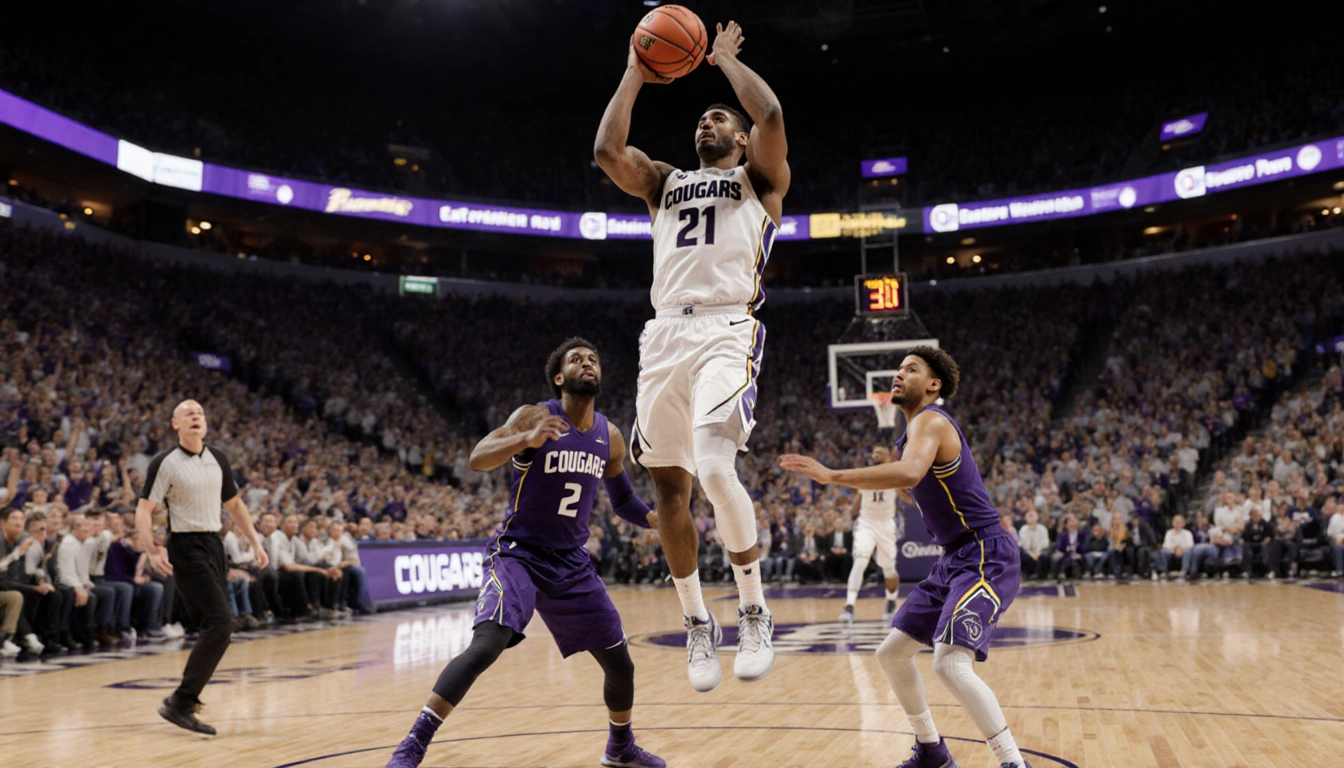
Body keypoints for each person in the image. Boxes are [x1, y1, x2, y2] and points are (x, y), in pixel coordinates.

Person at [594, 18, 789, 690]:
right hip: (665, 334)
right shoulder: (664, 181)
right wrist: (634, 70)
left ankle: (755, 608)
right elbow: (605, 150)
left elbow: (769, 111)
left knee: (713, 463)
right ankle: (699, 623)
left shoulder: (760, 182)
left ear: (739, 142)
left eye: (717, 121)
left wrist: (724, 62)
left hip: (727, 327)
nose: (706, 125)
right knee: (670, 489)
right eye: (701, 119)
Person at [386, 338, 664, 768]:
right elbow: (478, 458)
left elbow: (623, 500)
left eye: (593, 359)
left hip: (572, 563)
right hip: (519, 554)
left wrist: (655, 520)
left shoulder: (609, 435)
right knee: (486, 646)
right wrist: (523, 439)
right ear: (559, 377)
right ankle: (413, 745)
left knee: (621, 664)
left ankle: (620, 747)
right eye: (576, 359)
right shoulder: (535, 416)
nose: (587, 363)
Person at [779, 347, 1031, 768]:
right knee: (891, 654)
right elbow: (917, 488)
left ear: (934, 384)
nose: (898, 375)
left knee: (950, 664)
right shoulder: (910, 433)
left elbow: (912, 474)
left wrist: (833, 475)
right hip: (954, 558)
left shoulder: (930, 420)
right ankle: (932, 751)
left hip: (985, 553)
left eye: (910, 369)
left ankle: (1011, 761)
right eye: (897, 370)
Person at [134, 400, 269, 736]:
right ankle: (181, 701)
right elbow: (143, 509)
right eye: (188, 414)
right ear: (175, 424)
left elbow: (234, 505)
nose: (196, 417)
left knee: (215, 625)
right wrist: (151, 549)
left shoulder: (218, 458)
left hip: (213, 545)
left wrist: (255, 542)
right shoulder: (164, 462)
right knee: (222, 623)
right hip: (185, 545)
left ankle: (184, 698)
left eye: (200, 414)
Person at [840, 446, 902, 624]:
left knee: (888, 568)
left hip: (886, 524)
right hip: (867, 522)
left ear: (888, 457)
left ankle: (891, 599)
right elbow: (856, 503)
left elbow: (905, 496)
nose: (875, 454)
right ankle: (849, 605)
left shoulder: (895, 475)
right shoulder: (865, 474)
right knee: (860, 560)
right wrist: (853, 510)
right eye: (873, 452)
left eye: (879, 452)